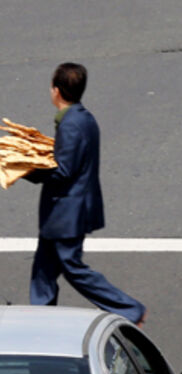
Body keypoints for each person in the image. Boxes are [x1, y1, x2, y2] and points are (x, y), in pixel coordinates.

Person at [25, 63, 147, 323]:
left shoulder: (71, 124)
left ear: (56, 91)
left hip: (66, 213)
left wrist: (25, 169)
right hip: (66, 212)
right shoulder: (82, 117)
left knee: (72, 267)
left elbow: (63, 171)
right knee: (43, 269)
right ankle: (40, 317)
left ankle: (129, 309)